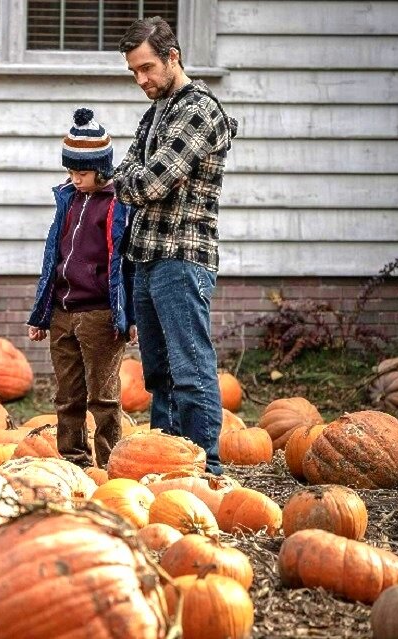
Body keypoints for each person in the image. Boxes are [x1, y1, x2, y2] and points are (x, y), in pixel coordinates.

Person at [111, 17, 239, 475]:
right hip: (146, 257)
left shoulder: (199, 109)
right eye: (134, 73)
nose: (141, 80)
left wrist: (124, 181)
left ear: (173, 57)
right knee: (159, 375)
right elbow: (125, 173)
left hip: (182, 258)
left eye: (146, 68)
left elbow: (150, 182)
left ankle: (208, 469)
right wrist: (126, 180)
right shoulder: (156, 113)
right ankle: (167, 464)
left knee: (190, 369)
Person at [27, 108, 137, 471]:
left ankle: (109, 466)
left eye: (82, 172)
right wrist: (41, 314)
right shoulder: (67, 201)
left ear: (102, 170)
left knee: (103, 397)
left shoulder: (117, 206)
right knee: (67, 395)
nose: (75, 178)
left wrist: (128, 316)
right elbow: (52, 259)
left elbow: (125, 265)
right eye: (71, 171)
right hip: (63, 311)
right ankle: (73, 461)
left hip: (99, 314)